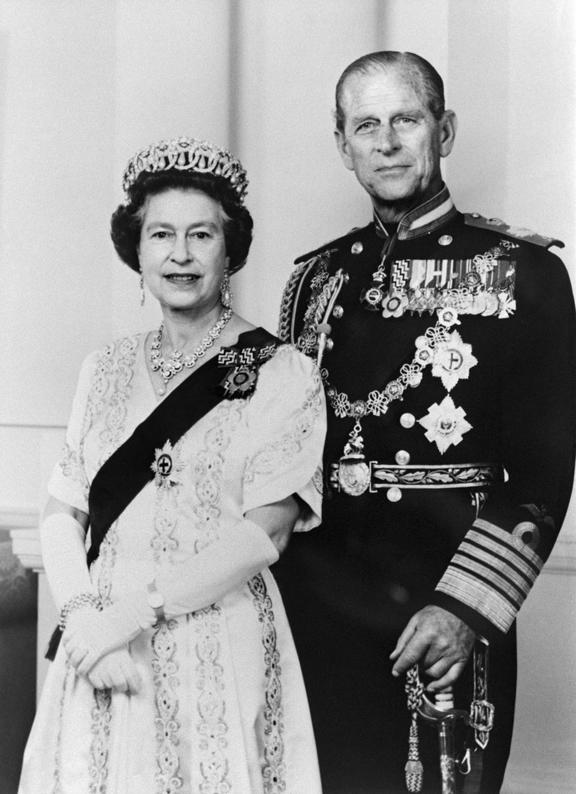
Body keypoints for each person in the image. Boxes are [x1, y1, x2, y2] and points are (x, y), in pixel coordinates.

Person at [275, 51, 576, 793]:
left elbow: (542, 469)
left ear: (444, 129)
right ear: (341, 143)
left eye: (405, 120)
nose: (385, 142)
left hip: (443, 602)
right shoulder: (314, 278)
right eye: (365, 125)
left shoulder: (523, 271)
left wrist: (464, 607)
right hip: (317, 609)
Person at [19, 137, 326, 793]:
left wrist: (128, 617)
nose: (180, 255)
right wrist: (82, 622)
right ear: (138, 249)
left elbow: (263, 533)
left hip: (216, 638)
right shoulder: (102, 368)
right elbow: (61, 511)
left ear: (229, 248)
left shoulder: (283, 373)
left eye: (201, 235)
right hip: (100, 649)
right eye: (161, 234)